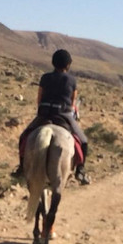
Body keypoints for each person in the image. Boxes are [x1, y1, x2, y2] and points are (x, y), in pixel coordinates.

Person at [13, 49, 90, 184]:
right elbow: (72, 103)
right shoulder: (72, 80)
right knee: (83, 141)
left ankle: (21, 168)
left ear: (53, 63)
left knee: (23, 137)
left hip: (44, 114)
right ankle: (80, 171)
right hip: (64, 115)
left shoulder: (45, 77)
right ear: (68, 65)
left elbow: (39, 99)